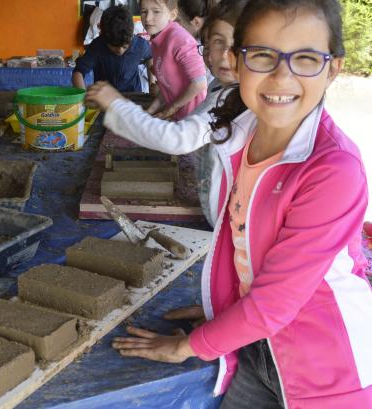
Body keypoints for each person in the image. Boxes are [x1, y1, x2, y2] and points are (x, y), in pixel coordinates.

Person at [111, 0, 372, 407]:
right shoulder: (243, 128)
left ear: (333, 68)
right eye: (263, 55)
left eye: (305, 58)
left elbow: (275, 303)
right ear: (237, 61)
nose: (281, 77)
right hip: (255, 348)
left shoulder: (333, 170)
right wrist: (223, 314)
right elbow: (245, 247)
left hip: (326, 370)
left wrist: (186, 347)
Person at [86, 0, 247, 227]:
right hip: (219, 211)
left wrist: (117, 104)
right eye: (211, 46)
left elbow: (177, 138)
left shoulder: (236, 100)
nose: (217, 57)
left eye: (231, 46)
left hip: (229, 219)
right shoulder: (221, 89)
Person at [141, 0, 207, 120]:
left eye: (156, 11)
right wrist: (151, 111)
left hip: (194, 120)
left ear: (172, 15)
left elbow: (199, 83)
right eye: (143, 11)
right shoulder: (157, 40)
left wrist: (171, 109)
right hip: (178, 117)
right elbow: (167, 85)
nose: (148, 18)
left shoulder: (180, 39)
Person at [72, 5, 153, 93]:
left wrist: (151, 84)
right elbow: (78, 73)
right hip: (104, 100)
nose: (120, 50)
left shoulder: (139, 45)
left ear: (131, 37)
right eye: (114, 46)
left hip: (133, 98)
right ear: (103, 38)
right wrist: (83, 99)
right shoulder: (97, 46)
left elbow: (150, 57)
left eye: (125, 46)